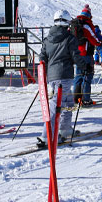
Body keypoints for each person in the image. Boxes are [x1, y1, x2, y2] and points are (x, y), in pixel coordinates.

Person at [37, 9, 87, 148]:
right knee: (57, 104)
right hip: (64, 74)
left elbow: (42, 56)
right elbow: (75, 56)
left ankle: (65, 129)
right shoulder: (69, 38)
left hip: (52, 76)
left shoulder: (47, 39)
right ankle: (47, 135)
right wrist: (84, 66)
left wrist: (44, 69)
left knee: (68, 101)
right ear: (66, 22)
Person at [71, 6, 102, 106]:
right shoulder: (86, 24)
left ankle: (76, 98)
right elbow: (93, 37)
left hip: (76, 54)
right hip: (86, 54)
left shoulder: (75, 23)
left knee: (79, 76)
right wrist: (100, 43)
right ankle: (86, 99)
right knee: (87, 76)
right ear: (89, 15)